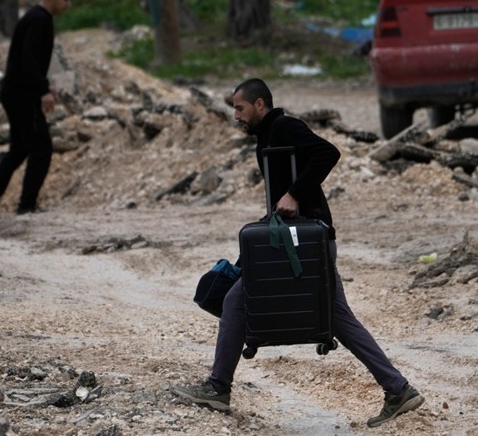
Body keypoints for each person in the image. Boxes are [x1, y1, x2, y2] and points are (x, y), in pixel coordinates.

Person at [172, 78, 424, 428]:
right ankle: (398, 389)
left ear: (260, 105)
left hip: (305, 240)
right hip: (301, 240)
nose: (236, 116)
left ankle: (217, 389)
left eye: (240, 108)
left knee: (236, 301)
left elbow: (327, 153)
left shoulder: (285, 126)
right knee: (335, 317)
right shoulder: (267, 134)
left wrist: (293, 193)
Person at [0, 0, 73, 220]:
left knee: (19, 149)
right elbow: (27, 59)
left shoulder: (38, 19)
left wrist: (46, 86)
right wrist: (42, 91)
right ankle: (26, 207)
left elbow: (31, 61)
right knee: (42, 148)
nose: (68, 4)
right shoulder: (39, 20)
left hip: (17, 92)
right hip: (22, 95)